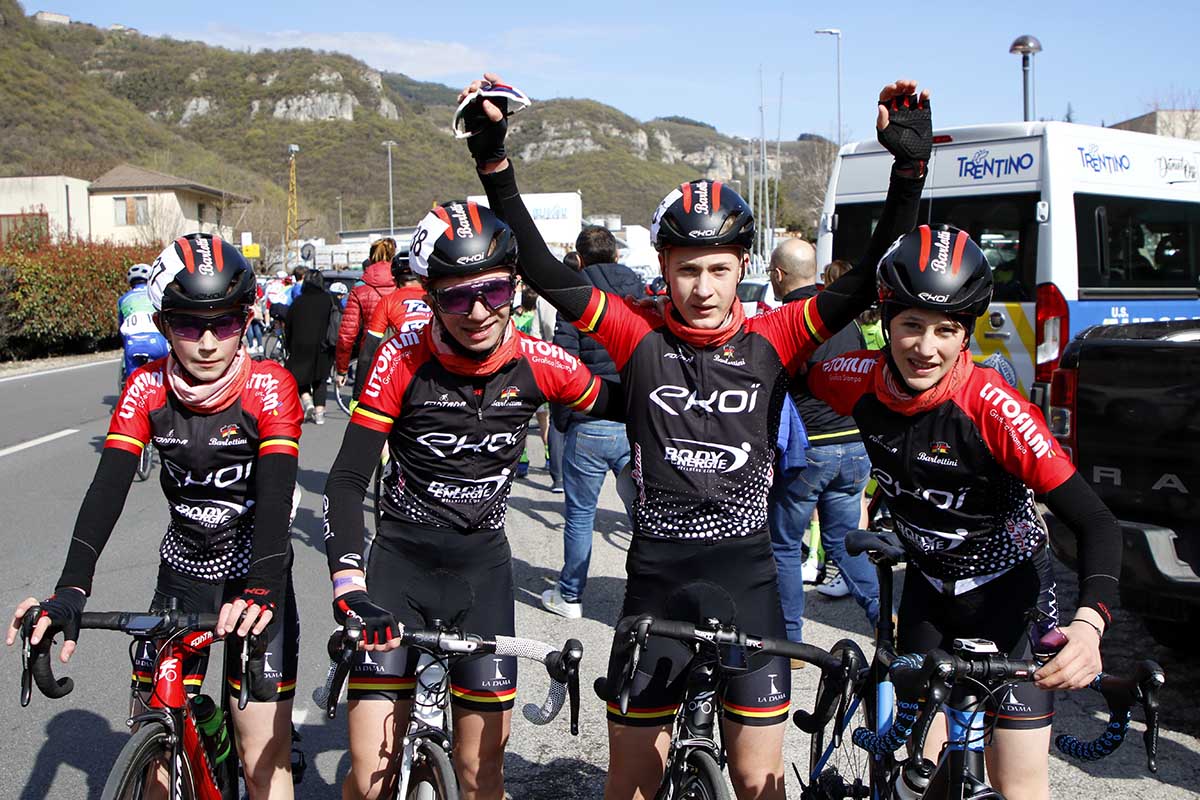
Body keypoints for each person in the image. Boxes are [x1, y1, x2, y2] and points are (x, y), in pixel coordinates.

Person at [459, 71, 930, 799]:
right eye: (686, 271)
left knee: (758, 781)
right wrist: (495, 165)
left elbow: (869, 277)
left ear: (744, 268)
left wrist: (908, 171)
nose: (703, 289)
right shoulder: (635, 333)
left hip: (748, 587)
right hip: (656, 590)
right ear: (663, 271)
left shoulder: (777, 337)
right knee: (632, 785)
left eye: (718, 270)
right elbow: (546, 271)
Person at [806, 225, 1122, 800]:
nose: (926, 348)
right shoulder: (852, 378)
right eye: (910, 325)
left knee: (1017, 782)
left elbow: (1096, 520)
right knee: (915, 770)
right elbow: (774, 358)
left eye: (945, 330)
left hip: (1012, 596)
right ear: (885, 321)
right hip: (929, 590)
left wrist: (1089, 626)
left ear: (965, 333)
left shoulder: (993, 408)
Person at [322, 201, 620, 800]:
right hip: (399, 566)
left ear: (515, 287)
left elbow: (631, 405)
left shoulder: (540, 363)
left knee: (484, 777)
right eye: (458, 297)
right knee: (368, 775)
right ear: (431, 295)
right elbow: (347, 480)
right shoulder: (402, 356)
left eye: (495, 291)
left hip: (481, 573)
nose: (480, 311)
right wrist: (347, 582)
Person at [8, 234, 303, 799]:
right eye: (191, 325)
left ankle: (229, 745)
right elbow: (106, 490)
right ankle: (191, 743)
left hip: (255, 571)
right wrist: (70, 591)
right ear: (165, 324)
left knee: (262, 757)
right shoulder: (146, 388)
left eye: (227, 322)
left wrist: (262, 590)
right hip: (184, 569)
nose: (211, 341)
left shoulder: (270, 386)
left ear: (248, 319)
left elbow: (274, 496)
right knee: (156, 762)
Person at [766, 241, 880, 641]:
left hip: (810, 450)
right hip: (854, 445)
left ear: (779, 275)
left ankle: (790, 640)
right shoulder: (845, 317)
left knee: (782, 544)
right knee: (844, 543)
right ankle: (884, 621)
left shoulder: (788, 320)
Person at [542, 226, 643, 619]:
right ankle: (643, 595)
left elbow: (563, 362)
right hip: (634, 421)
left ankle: (570, 595)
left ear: (579, 260)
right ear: (616, 256)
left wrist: (563, 422)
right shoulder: (639, 291)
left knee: (580, 515)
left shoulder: (576, 293)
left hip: (588, 419)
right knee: (644, 516)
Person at [351, 250, 433, 402]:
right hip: (443, 370)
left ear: (394, 280)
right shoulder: (436, 296)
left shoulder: (388, 301)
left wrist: (357, 397)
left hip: (407, 372)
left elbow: (367, 354)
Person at [335, 238, 397, 400]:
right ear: (393, 256)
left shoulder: (360, 287)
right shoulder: (404, 283)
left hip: (371, 354)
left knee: (369, 411)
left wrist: (342, 369)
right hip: (404, 354)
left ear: (370, 258)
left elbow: (347, 334)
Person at [285, 269, 335, 425]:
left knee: (300, 377)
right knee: (320, 379)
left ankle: (307, 402)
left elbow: (289, 327)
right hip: (323, 346)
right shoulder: (329, 299)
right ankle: (320, 414)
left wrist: (289, 346)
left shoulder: (298, 302)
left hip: (300, 346)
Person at [117, 262, 169, 384]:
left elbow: (121, 326)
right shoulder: (155, 296)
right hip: (157, 341)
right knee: (166, 372)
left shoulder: (123, 299)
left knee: (132, 379)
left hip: (132, 343)